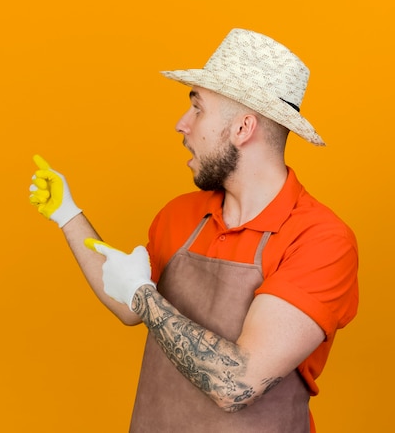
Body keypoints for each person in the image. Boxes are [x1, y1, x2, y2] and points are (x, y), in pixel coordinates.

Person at [29, 28, 358, 432]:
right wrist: (67, 214)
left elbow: (237, 382)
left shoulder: (321, 240)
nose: (181, 125)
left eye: (197, 108)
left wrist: (143, 294)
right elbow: (127, 305)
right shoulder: (180, 215)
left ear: (243, 128)